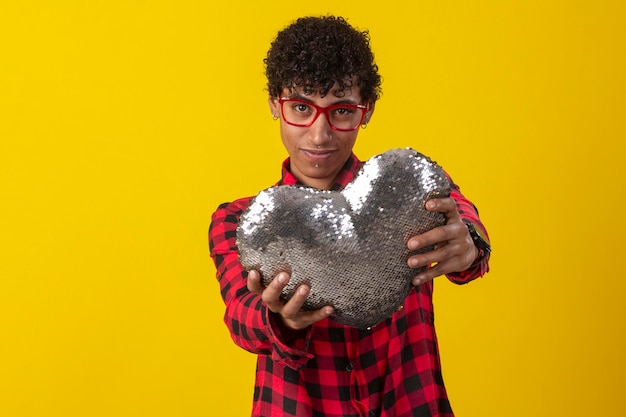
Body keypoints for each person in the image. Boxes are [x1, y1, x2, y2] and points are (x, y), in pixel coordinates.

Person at [209, 15, 490, 417]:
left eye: (341, 111)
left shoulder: (409, 191)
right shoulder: (239, 221)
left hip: (411, 402)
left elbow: (463, 220)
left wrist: (470, 245)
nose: (319, 135)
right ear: (275, 104)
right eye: (301, 108)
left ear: (367, 110)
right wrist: (283, 322)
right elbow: (242, 317)